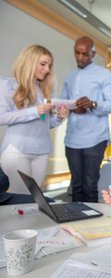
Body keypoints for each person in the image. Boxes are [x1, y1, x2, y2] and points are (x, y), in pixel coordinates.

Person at [0, 45, 68, 194]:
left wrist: (59, 118)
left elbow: (44, 123)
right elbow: (2, 118)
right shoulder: (7, 84)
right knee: (19, 200)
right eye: (43, 64)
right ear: (29, 62)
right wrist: (34, 111)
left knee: (34, 200)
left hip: (41, 152)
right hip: (17, 150)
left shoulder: (44, 90)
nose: (47, 69)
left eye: (49, 66)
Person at [61, 36, 111, 202]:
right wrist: (73, 107)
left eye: (84, 54)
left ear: (92, 53)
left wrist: (92, 104)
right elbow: (63, 103)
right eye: (77, 53)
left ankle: (91, 224)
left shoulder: (104, 74)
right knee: (76, 186)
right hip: (72, 139)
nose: (80, 57)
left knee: (89, 184)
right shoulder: (69, 77)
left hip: (95, 138)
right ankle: (75, 222)